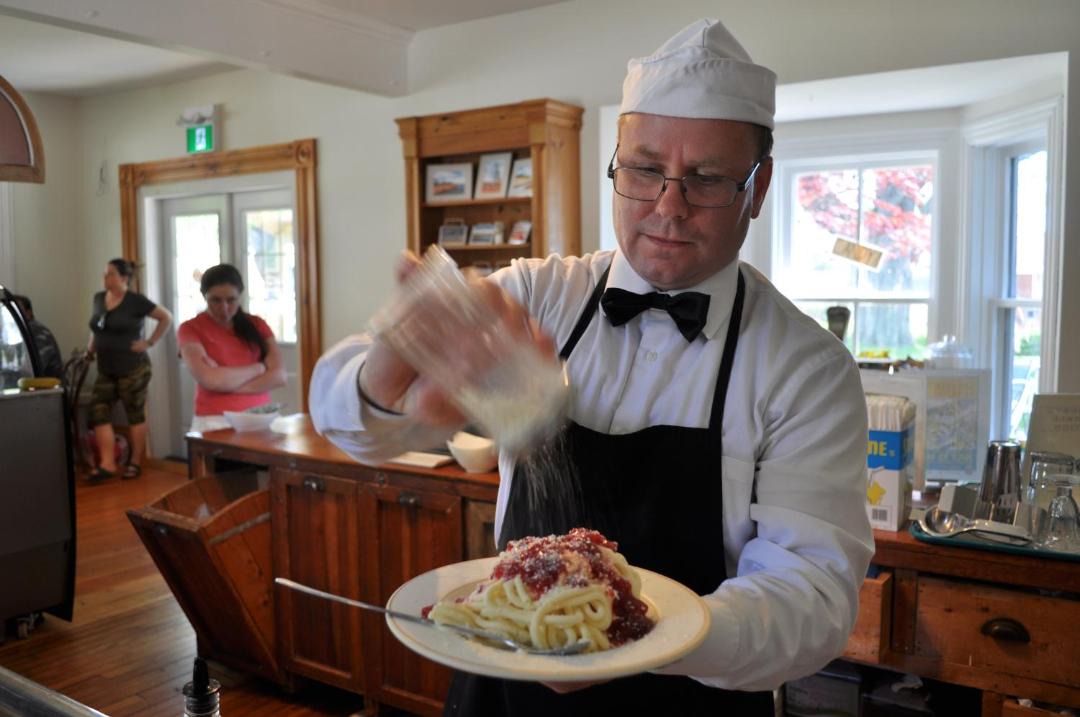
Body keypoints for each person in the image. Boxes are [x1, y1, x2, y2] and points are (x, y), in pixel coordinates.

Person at [310, 18, 873, 716]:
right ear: (616, 166)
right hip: (503, 682)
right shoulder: (538, 293)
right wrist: (386, 374)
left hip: (695, 698)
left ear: (756, 189)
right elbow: (343, 418)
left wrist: (634, 632)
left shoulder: (807, 368)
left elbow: (811, 598)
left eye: (706, 178)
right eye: (644, 169)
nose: (669, 206)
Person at [87, 258, 172, 479]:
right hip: (106, 368)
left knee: (134, 413)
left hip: (133, 369)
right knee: (97, 410)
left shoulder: (136, 301)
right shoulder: (98, 298)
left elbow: (166, 318)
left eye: (111, 274)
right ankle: (107, 464)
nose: (106, 278)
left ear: (124, 278)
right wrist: (89, 351)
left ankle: (134, 462)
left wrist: (149, 342)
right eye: (105, 274)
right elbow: (97, 329)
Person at [177, 264, 285, 433]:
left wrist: (225, 382)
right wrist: (260, 368)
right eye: (216, 300)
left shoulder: (257, 324)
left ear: (240, 296)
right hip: (215, 419)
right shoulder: (190, 328)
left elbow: (279, 376)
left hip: (261, 415)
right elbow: (210, 380)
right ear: (204, 296)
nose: (224, 307)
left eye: (231, 300)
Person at [11, 294, 64, 380]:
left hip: (50, 390)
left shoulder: (37, 332)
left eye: (16, 310)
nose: (12, 315)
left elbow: (31, 370)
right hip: (36, 387)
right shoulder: (21, 332)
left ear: (28, 313)